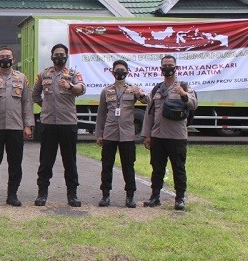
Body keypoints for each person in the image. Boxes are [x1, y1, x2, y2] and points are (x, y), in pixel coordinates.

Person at [141, 54, 198, 211]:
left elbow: (193, 105)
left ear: (176, 67)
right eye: (164, 65)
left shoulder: (184, 87)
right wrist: (147, 135)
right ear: (161, 69)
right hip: (158, 136)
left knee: (178, 168)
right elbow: (149, 113)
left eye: (170, 65)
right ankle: (155, 197)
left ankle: (180, 199)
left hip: (176, 136)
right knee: (157, 168)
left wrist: (183, 94)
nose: (167, 68)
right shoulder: (157, 89)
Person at [0, 47, 34, 207]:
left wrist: (28, 125)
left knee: (15, 162)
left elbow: (27, 102)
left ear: (13, 59)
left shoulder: (21, 78)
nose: (5, 59)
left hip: (15, 127)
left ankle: (12, 195)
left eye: (8, 57)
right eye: (2, 57)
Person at [32, 43, 85, 207]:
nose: (59, 56)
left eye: (62, 54)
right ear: (51, 56)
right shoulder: (43, 74)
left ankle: (72, 195)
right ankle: (42, 194)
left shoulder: (73, 73)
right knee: (46, 161)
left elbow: (82, 88)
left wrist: (70, 86)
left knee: (70, 161)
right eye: (56, 54)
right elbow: (35, 95)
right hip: (48, 123)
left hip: (67, 123)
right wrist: (46, 107)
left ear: (66, 57)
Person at [95, 59, 148, 208]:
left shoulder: (133, 90)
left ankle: (130, 196)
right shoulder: (106, 91)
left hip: (127, 135)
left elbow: (148, 101)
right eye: (117, 70)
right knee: (107, 165)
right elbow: (101, 114)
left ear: (127, 72)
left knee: (128, 166)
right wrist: (99, 133)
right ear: (113, 72)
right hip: (110, 133)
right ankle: (105, 195)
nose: (120, 72)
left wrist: (141, 94)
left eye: (122, 70)